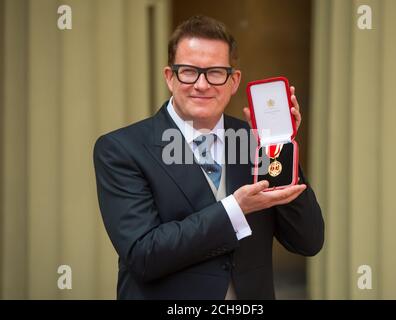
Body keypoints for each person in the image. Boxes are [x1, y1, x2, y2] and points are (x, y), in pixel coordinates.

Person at [93, 15, 324, 300]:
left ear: (234, 81)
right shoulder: (121, 149)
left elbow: (308, 240)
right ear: (170, 76)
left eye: (215, 72)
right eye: (189, 71)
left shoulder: (256, 143)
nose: (202, 85)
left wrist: (281, 146)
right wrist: (234, 209)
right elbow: (144, 255)